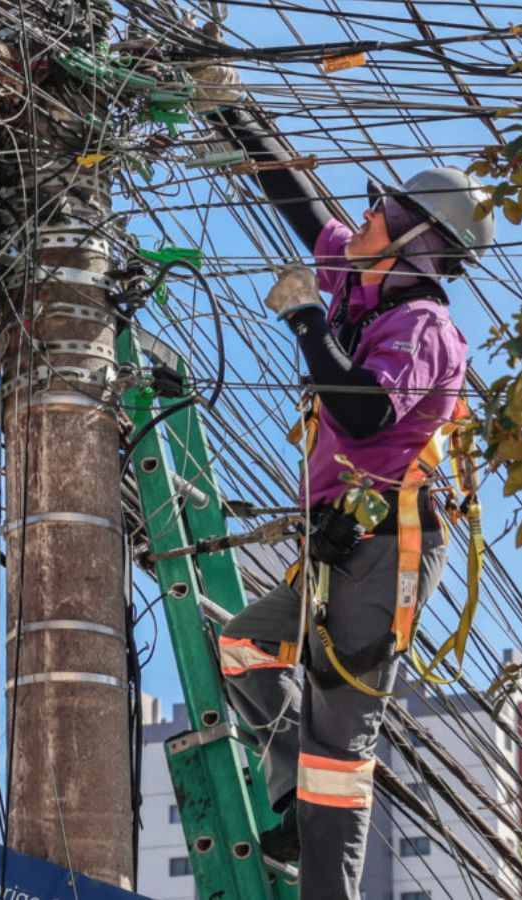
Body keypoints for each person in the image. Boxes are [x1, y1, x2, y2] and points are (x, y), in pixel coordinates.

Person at [194, 66, 496, 900]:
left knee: (340, 740)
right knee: (243, 648)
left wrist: (302, 323)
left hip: (386, 547)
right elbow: (300, 205)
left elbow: (363, 416)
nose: (361, 219)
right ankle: (294, 797)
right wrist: (230, 110)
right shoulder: (363, 291)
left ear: (411, 238)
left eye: (380, 213)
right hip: (338, 534)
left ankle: (327, 875)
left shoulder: (423, 326)